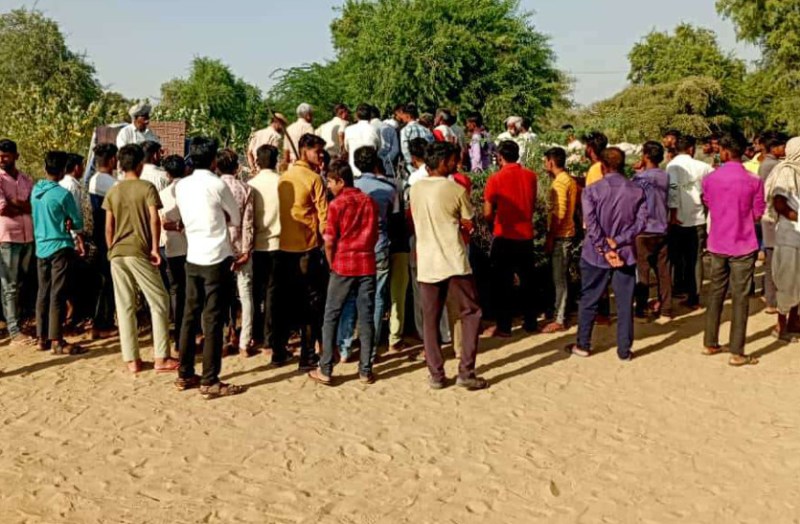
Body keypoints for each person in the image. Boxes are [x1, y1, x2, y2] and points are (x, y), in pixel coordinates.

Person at [410, 141, 487, 391]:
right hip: (453, 261)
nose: (456, 164)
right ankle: (466, 370)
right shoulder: (455, 190)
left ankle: (436, 374)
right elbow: (469, 221)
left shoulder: (415, 189)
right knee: (471, 313)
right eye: (453, 160)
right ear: (443, 162)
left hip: (427, 262)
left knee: (430, 319)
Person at [175, 137, 246, 398]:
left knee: (189, 317)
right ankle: (210, 379)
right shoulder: (217, 184)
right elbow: (235, 218)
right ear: (214, 159)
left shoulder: (181, 186)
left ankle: (184, 373)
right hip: (217, 256)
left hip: (193, 255)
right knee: (213, 320)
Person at [568, 148, 647, 361]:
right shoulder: (637, 191)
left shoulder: (591, 191)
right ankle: (624, 350)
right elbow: (641, 223)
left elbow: (591, 226)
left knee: (589, 299)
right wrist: (618, 242)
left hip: (595, 254)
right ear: (623, 165)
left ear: (602, 166)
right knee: (624, 303)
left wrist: (605, 248)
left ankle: (583, 344)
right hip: (625, 254)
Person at [103, 144, 176, 374]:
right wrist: (155, 248)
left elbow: (108, 226)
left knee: (124, 306)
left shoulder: (113, 191)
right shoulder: (147, 187)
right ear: (140, 164)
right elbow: (155, 219)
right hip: (138, 251)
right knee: (160, 301)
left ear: (119, 164)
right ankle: (161, 357)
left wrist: (111, 248)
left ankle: (132, 360)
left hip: (117, 253)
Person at [308, 162, 379, 385]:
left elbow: (329, 241)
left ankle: (326, 368)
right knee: (366, 317)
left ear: (340, 181)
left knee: (331, 315)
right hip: (366, 263)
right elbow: (375, 234)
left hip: (343, 264)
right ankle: (366, 370)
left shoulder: (337, 205)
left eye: (330, 181)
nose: (328, 186)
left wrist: (332, 263)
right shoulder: (368, 201)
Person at [702, 132, 765, 367]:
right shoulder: (753, 180)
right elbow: (758, 213)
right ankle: (737, 351)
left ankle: (710, 342)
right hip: (744, 243)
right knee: (740, 298)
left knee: (716, 293)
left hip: (717, 242)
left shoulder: (711, 178)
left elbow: (707, 201)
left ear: (725, 152)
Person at [275, 134, 329, 369]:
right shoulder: (314, 178)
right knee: (310, 304)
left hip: (284, 247)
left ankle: (279, 352)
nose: (320, 156)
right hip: (307, 248)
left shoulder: (284, 178)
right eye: (317, 152)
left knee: (285, 302)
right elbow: (325, 216)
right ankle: (307, 355)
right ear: (304, 150)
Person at [32, 151, 88, 355]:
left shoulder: (36, 190)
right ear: (64, 170)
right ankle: (57, 339)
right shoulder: (63, 194)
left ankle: (41, 337)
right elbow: (78, 222)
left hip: (41, 246)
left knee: (43, 291)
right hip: (59, 246)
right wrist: (70, 222)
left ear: (46, 168)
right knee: (58, 293)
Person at [483, 140, 538, 336]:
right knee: (528, 280)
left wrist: (492, 225)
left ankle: (504, 326)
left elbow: (487, 212)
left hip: (504, 234)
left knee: (502, 283)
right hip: (526, 235)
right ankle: (531, 322)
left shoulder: (495, 179)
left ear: (500, 157)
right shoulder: (531, 176)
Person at [353, 146, 397, 349]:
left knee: (354, 295)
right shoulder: (388, 189)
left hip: (355, 248)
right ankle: (372, 341)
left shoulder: (350, 188)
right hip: (380, 245)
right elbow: (393, 220)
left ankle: (348, 343)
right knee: (378, 296)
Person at [666, 135, 712, 309]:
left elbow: (673, 189)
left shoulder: (673, 166)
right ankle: (694, 295)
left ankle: (674, 291)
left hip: (678, 219)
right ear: (692, 149)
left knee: (674, 257)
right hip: (698, 217)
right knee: (696, 258)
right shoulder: (704, 167)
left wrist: (673, 212)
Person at [217, 149, 255, 357]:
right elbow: (248, 223)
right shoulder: (245, 188)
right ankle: (244, 342)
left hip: (219, 249)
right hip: (241, 248)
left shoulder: (214, 188)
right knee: (246, 296)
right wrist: (246, 250)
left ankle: (224, 337)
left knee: (221, 296)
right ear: (237, 167)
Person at [633, 141, 672, 322]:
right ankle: (666, 309)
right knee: (663, 271)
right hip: (662, 228)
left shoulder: (640, 179)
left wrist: (637, 172)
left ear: (646, 156)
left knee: (643, 271)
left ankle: (641, 309)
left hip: (644, 229)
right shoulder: (664, 176)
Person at [0, 138, 35, 344]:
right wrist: (22, 206)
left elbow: (33, 206)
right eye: (0, 156)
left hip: (27, 236)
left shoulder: (25, 179)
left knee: (19, 282)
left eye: (6, 156)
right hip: (7, 237)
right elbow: (3, 207)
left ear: (16, 156)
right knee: (9, 285)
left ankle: (14, 322)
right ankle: (14, 330)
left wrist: (18, 205)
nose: (3, 160)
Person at [248, 145, 282, 354]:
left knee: (255, 292)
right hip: (277, 243)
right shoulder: (282, 183)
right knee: (273, 293)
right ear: (276, 160)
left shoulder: (250, 185)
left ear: (257, 162)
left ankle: (255, 333)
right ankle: (271, 338)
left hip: (255, 245)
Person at [542, 147, 579, 333]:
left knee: (559, 279)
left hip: (561, 236)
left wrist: (550, 237)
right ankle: (561, 312)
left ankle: (559, 318)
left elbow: (559, 214)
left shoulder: (560, 183)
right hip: (568, 234)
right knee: (562, 277)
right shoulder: (568, 180)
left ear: (550, 162)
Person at [768, 137, 800, 342]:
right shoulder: (786, 171)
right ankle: (781, 325)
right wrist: (796, 217)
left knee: (798, 281)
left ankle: (794, 320)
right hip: (789, 235)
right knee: (787, 280)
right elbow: (779, 202)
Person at [88, 144, 119, 340]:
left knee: (103, 281)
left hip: (99, 234)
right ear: (112, 160)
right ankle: (103, 323)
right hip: (109, 236)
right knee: (109, 282)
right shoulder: (111, 184)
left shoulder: (93, 180)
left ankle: (100, 322)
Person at [159, 155, 188, 351]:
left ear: (167, 174)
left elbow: (160, 222)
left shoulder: (162, 194)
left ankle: (179, 337)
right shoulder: (191, 191)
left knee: (175, 291)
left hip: (170, 248)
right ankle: (193, 333)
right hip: (192, 248)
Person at [759, 131, 789, 314]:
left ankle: (770, 297)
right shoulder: (774, 166)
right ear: (775, 147)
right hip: (773, 218)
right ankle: (772, 300)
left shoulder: (767, 164)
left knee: (771, 260)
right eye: (782, 146)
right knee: (773, 261)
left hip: (769, 217)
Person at [343, 104, 381, 177]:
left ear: (356, 115)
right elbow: (378, 147)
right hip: (371, 171)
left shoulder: (348, 130)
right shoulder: (375, 129)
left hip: (354, 170)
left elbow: (347, 148)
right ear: (370, 115)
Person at [398, 103, 434, 174]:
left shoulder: (405, 130)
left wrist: (411, 162)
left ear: (407, 115)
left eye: (403, 115)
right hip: (426, 165)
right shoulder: (426, 130)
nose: (402, 117)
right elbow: (432, 146)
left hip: (412, 167)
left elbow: (405, 149)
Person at [60, 153, 85, 220]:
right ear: (76, 167)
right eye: (82, 165)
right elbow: (75, 213)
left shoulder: (61, 182)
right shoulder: (73, 186)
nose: (83, 169)